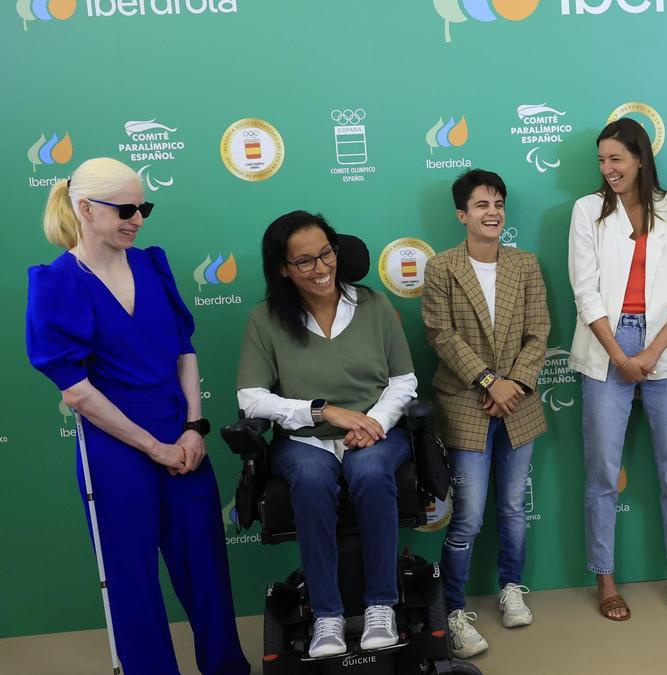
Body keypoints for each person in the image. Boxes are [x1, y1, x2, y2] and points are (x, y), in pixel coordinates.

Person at [25, 157, 250, 675]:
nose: (138, 218)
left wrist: (193, 429)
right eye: (126, 208)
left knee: (206, 570)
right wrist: (154, 447)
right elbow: (76, 392)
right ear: (85, 209)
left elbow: (184, 350)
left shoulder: (152, 264)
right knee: (131, 580)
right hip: (114, 452)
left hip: (183, 440)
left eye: (143, 207)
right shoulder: (56, 283)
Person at [236, 211, 418, 658]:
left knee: (372, 471)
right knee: (313, 480)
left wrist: (372, 421)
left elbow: (404, 381)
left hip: (376, 431)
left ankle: (380, 606)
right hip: (306, 439)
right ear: (283, 268)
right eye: (305, 262)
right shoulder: (267, 320)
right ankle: (327, 615)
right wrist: (321, 411)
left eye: (326, 254)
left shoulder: (374, 305)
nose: (321, 268)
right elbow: (251, 398)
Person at [569, 117, 667, 621]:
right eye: (602, 161)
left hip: (664, 345)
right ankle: (605, 579)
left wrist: (649, 353)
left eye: (616, 159)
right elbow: (584, 291)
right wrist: (620, 355)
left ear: (640, 159)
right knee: (603, 471)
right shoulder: (586, 211)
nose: (608, 170)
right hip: (606, 344)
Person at [421, 169, 549, 658]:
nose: (492, 212)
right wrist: (488, 381)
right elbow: (441, 334)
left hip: (519, 403)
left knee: (513, 507)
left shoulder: (526, 265)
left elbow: (538, 331)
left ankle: (511, 586)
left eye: (498, 203)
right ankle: (452, 610)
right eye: (481, 204)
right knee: (469, 517)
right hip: (465, 403)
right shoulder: (442, 267)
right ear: (462, 214)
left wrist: (512, 384)